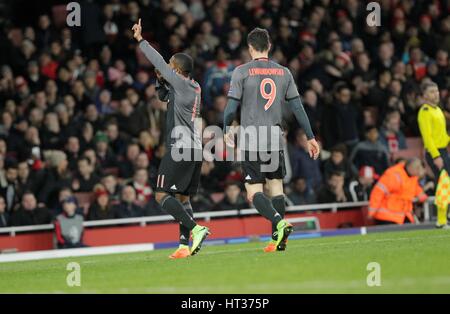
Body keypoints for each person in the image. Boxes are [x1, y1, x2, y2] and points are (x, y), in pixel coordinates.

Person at [223, 28, 320, 253]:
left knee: (253, 191)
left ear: (250, 48)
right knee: (276, 186)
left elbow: (230, 107)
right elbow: (297, 107)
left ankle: (279, 222)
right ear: (269, 46)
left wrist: (226, 127)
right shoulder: (284, 72)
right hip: (275, 138)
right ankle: (278, 239)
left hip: (251, 138)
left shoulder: (241, 71)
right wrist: (310, 136)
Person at [133, 18, 210, 259]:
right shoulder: (192, 86)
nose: (166, 65)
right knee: (182, 198)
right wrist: (160, 79)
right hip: (194, 148)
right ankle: (183, 245)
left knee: (161, 195)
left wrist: (140, 40)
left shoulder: (181, 83)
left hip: (180, 147)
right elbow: (164, 97)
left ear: (177, 70)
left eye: (170, 65)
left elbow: (158, 62)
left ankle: (197, 229)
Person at [369, 158, 428, 225]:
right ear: (412, 167)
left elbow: (415, 187)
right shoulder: (393, 174)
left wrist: (421, 194)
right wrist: (372, 212)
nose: (418, 173)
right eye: (418, 169)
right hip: (387, 216)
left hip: (402, 215)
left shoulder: (412, 176)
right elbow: (378, 192)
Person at [418, 81, 450, 179]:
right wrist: (436, 156)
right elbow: (427, 137)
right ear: (424, 96)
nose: (436, 94)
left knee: (446, 181)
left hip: (443, 150)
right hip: (435, 151)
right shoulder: (425, 112)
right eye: (432, 92)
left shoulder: (437, 109)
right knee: (443, 182)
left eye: (437, 91)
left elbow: (441, 133)